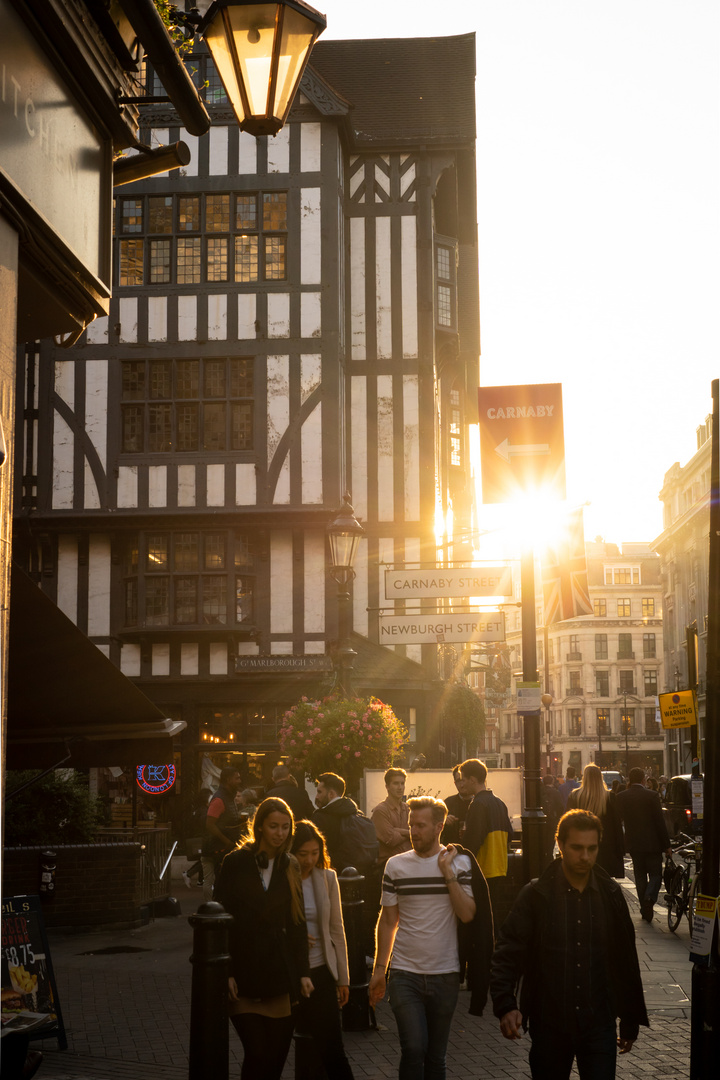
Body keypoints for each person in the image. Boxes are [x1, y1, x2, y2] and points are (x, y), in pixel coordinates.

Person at [491, 809, 649, 1080]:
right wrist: (506, 1004)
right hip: (550, 1023)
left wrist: (630, 1017)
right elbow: (508, 950)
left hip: (599, 1023)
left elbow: (625, 959)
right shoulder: (536, 895)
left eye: (592, 848)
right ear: (560, 845)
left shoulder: (610, 894)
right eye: (577, 848)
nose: (585, 856)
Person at [369, 796, 492, 1080]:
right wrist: (379, 970)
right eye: (411, 825)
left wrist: (447, 873)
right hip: (404, 974)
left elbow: (467, 914)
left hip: (445, 974)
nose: (413, 831)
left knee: (436, 1057)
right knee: (413, 1048)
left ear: (439, 827)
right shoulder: (395, 866)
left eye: (420, 826)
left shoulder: (459, 863)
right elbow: (388, 920)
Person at [214, 797, 313, 1080]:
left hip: (278, 975)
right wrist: (227, 971)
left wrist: (303, 972)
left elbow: (297, 921)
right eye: (273, 826)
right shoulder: (235, 862)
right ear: (259, 827)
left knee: (275, 1061)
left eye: (285, 827)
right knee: (257, 1054)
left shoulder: (289, 865)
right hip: (244, 974)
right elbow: (218, 918)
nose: (280, 833)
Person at [291, 821, 355, 1080]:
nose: (309, 860)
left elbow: (337, 929)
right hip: (289, 972)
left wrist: (343, 978)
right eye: (302, 853)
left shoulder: (327, 878)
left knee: (332, 1048)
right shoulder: (279, 878)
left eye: (315, 853)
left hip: (321, 970)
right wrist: (292, 938)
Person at [616, 767, 672, 921]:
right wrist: (667, 845)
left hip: (634, 844)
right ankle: (649, 899)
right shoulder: (652, 795)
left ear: (629, 779)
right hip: (653, 843)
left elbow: (617, 821)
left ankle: (644, 908)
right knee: (655, 874)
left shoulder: (621, 796)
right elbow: (660, 823)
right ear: (643, 780)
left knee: (639, 876)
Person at [460, 758, 512, 918]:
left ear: (473, 780)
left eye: (463, 779)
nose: (462, 784)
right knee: (493, 913)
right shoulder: (499, 802)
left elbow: (472, 842)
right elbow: (510, 835)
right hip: (500, 867)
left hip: (483, 869)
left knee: (481, 917)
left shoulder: (477, 804)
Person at [566, 764, 624, 877]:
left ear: (584, 778)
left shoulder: (575, 796)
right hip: (606, 848)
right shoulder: (609, 797)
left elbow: (568, 823)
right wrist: (620, 849)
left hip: (580, 846)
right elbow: (616, 826)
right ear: (600, 778)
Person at [201, 767, 243, 899]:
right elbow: (210, 824)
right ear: (228, 779)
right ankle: (212, 909)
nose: (239, 781)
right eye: (236, 778)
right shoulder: (219, 799)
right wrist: (227, 842)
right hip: (218, 848)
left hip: (224, 847)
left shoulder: (228, 797)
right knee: (218, 881)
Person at [371, 768, 411, 864]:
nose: (400, 787)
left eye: (402, 783)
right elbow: (391, 840)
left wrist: (397, 830)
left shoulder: (408, 808)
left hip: (410, 862)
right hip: (388, 864)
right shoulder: (380, 811)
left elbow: (419, 835)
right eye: (396, 783)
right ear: (387, 786)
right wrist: (409, 833)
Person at [441, 764, 474, 845]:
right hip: (451, 852)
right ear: (455, 783)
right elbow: (436, 831)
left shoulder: (479, 803)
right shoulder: (447, 803)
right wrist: (443, 821)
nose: (462, 785)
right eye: (459, 781)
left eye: (463, 780)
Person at [540, 775, 564, 863]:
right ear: (552, 782)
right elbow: (560, 807)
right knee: (550, 843)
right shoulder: (556, 792)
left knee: (542, 842)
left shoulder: (540, 792)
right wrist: (557, 816)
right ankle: (549, 859)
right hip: (552, 821)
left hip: (541, 821)